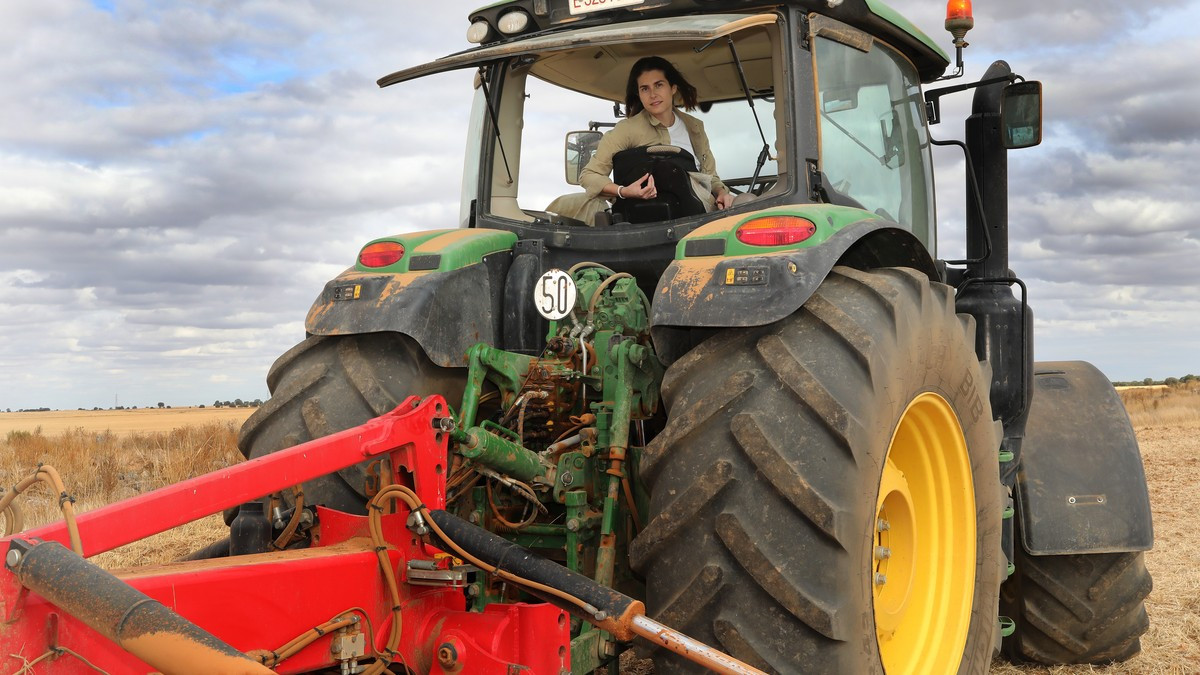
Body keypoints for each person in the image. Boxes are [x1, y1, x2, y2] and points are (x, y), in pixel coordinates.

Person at [548, 56, 732, 224]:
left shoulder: (695, 127)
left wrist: (722, 192)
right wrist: (623, 191)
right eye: (645, 89)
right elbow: (589, 175)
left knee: (744, 203)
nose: (652, 94)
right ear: (639, 94)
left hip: (702, 218)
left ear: (673, 88)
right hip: (648, 223)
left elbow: (710, 177)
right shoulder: (627, 130)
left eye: (658, 85)